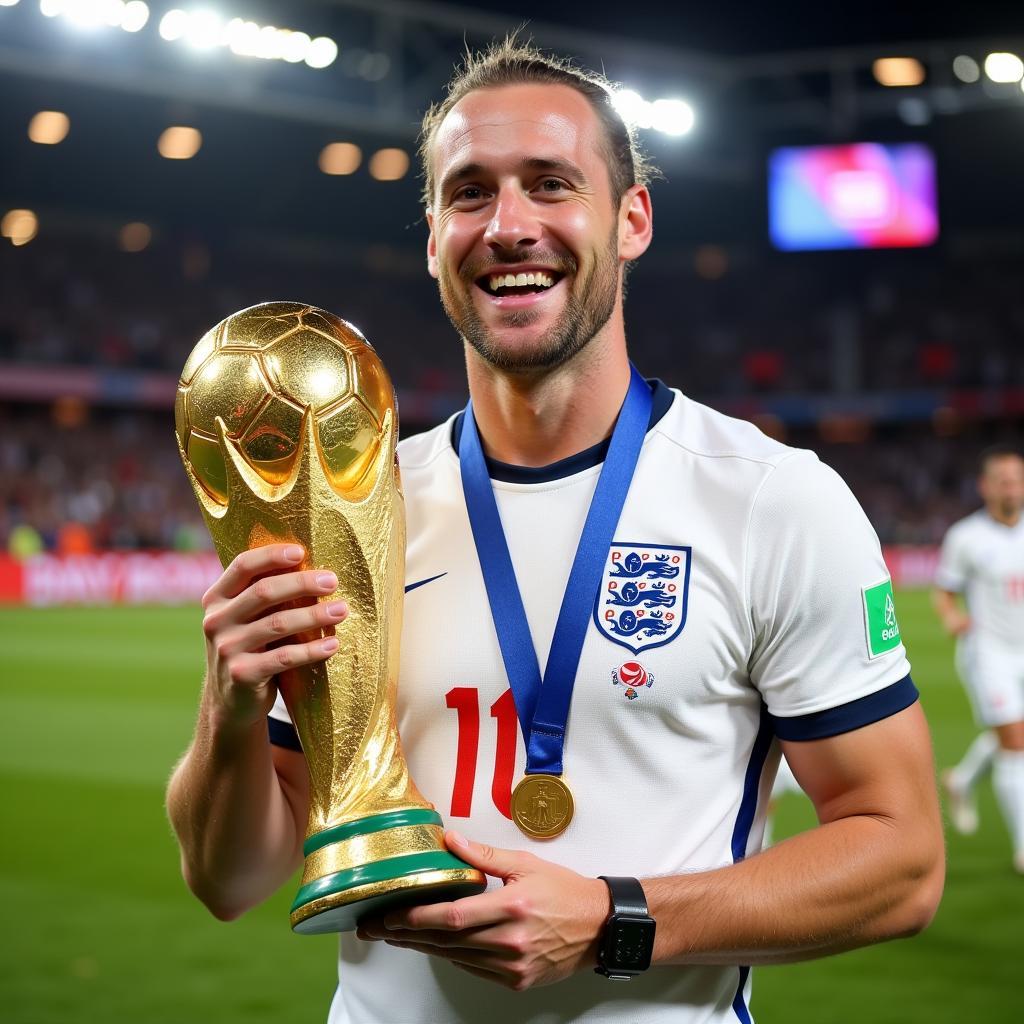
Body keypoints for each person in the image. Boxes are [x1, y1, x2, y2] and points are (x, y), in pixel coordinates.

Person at [166, 39, 944, 1024]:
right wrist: (227, 703)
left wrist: (615, 918)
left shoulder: (768, 500)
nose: (508, 225)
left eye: (549, 184)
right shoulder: (351, 504)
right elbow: (229, 881)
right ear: (432, 234)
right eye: (468, 192)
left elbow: (902, 859)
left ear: (630, 220)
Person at [934, 445, 1024, 872]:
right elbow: (944, 591)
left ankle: (961, 780)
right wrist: (952, 616)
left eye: (1018, 479)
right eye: (1004, 480)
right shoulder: (965, 537)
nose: (1012, 488)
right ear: (985, 486)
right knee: (1016, 742)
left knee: (1017, 734)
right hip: (989, 653)